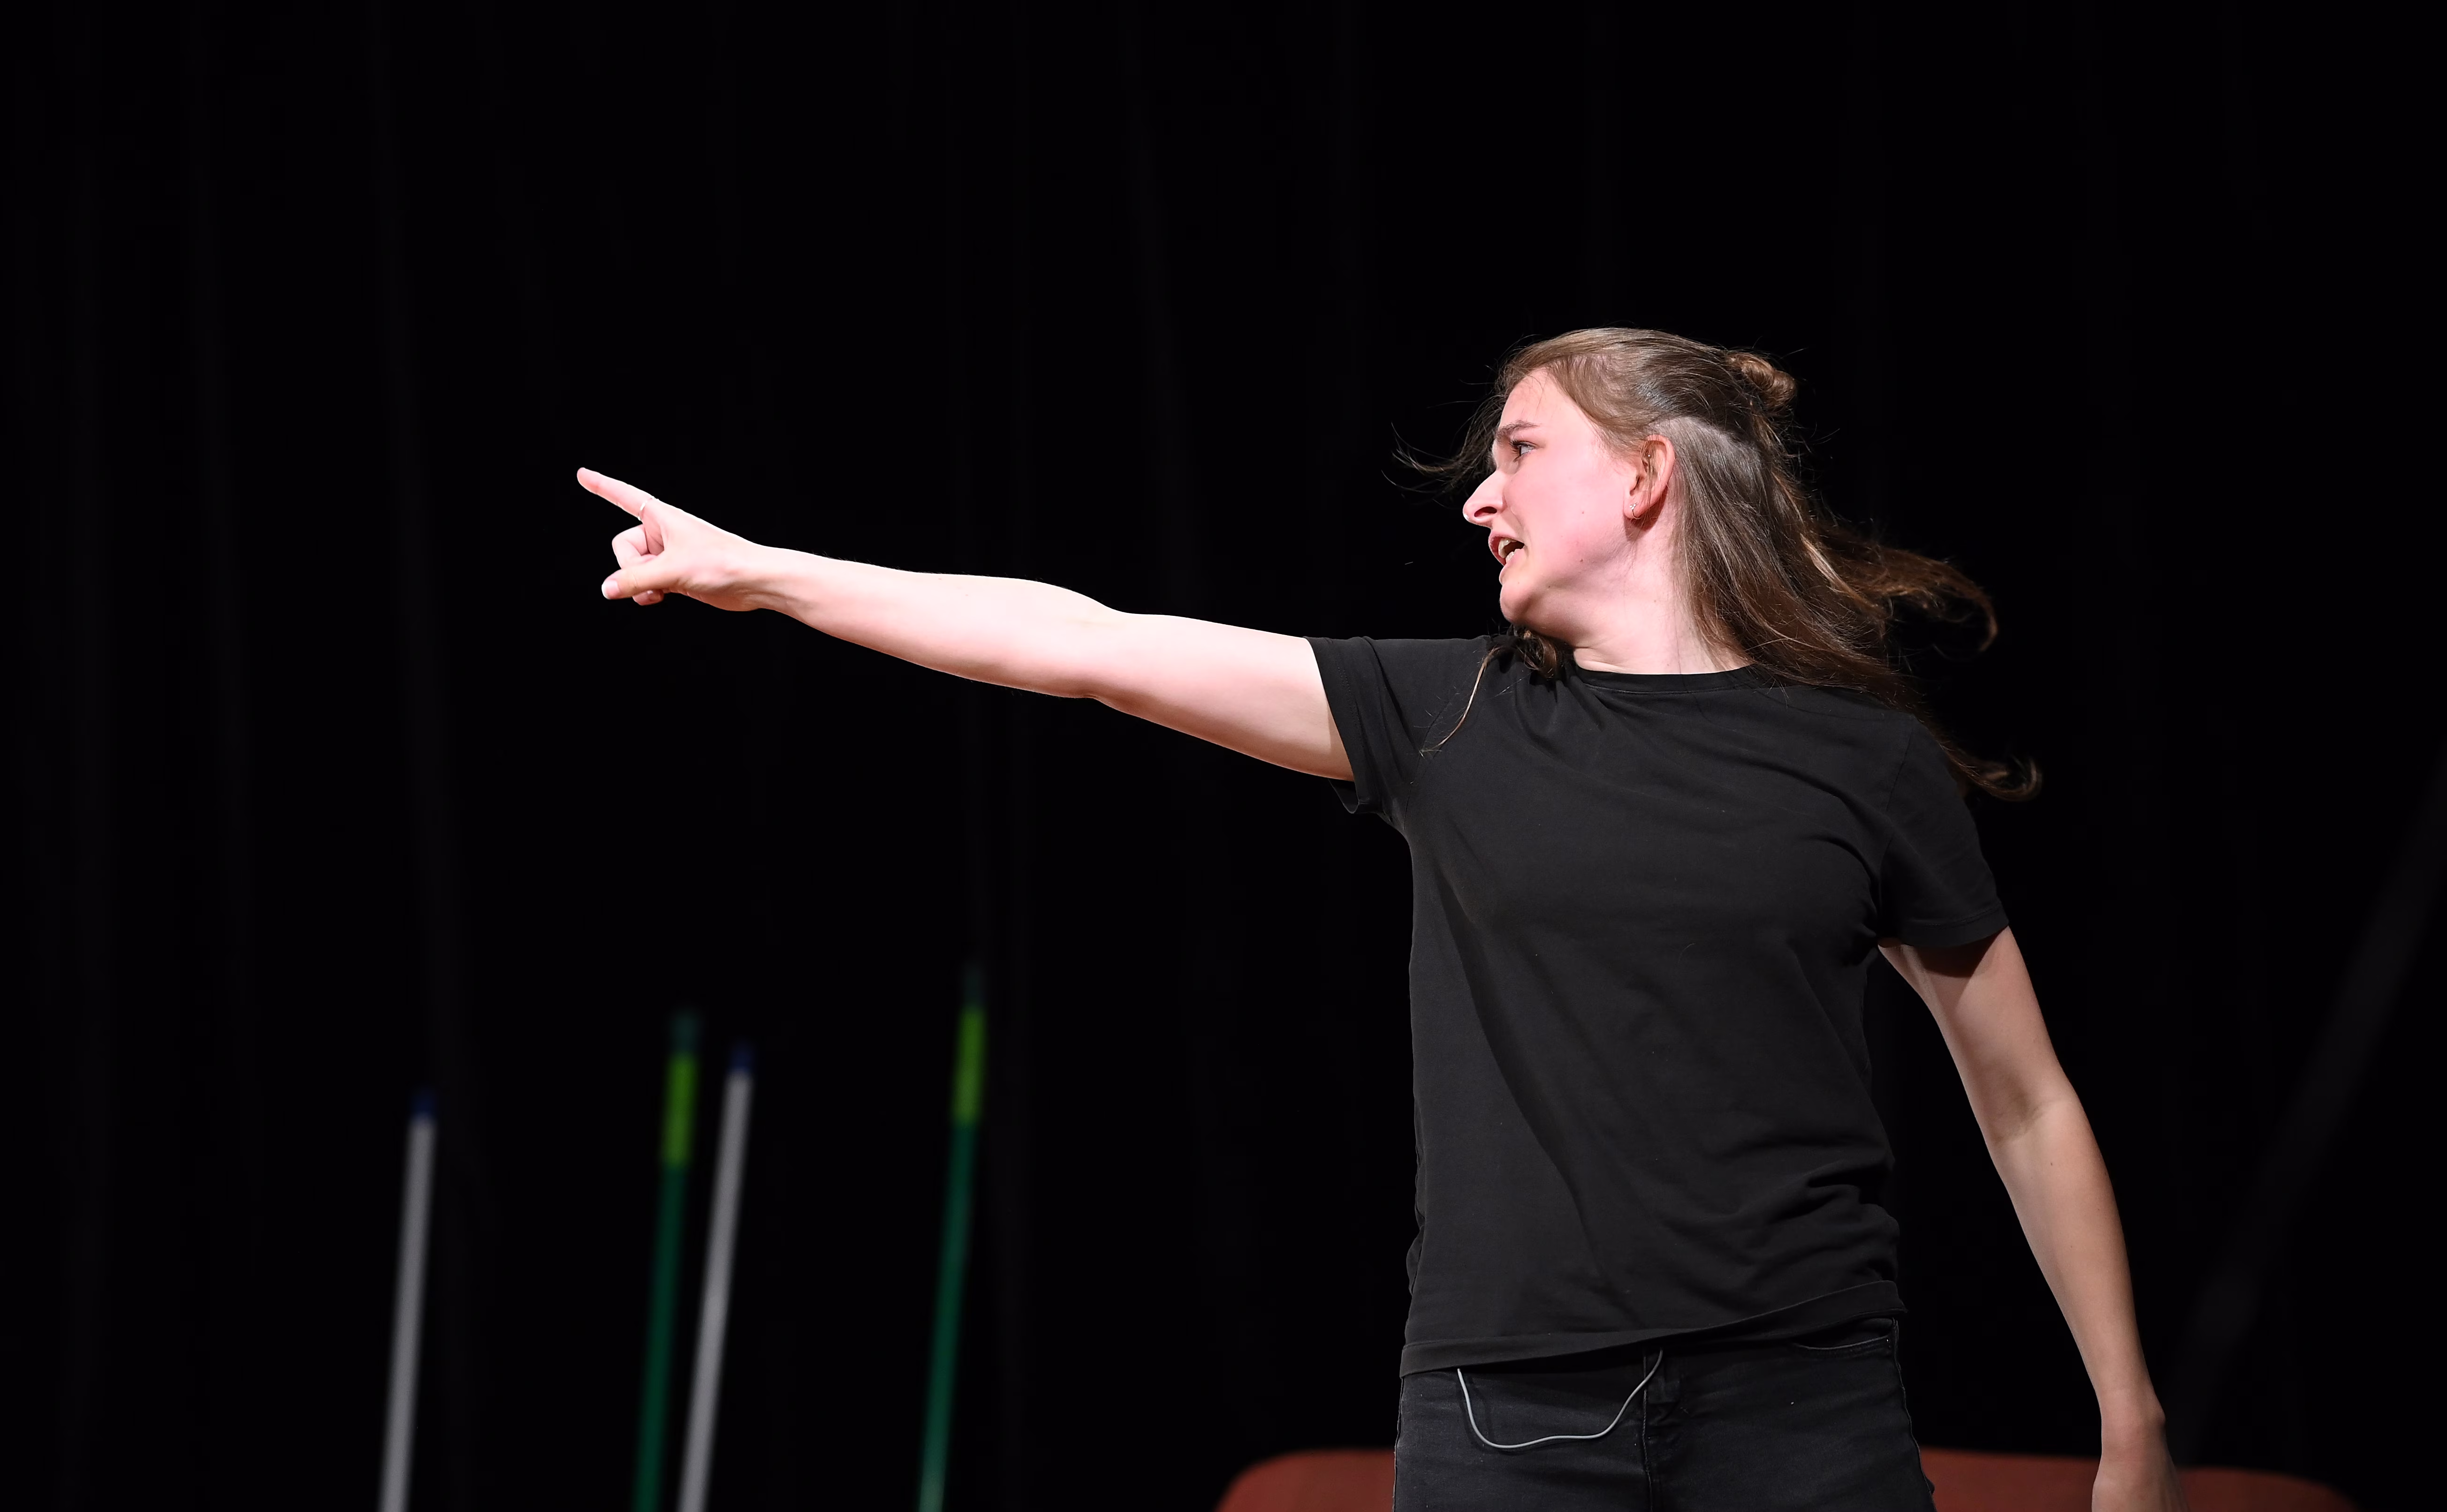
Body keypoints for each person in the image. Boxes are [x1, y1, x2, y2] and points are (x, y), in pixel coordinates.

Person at [585, 328, 2185, 1512]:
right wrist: (765, 573)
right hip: (1514, 1423)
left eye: (1520, 450)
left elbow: (2027, 1102)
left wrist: (2131, 1423)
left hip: (1805, 1414)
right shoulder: (1453, 716)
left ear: (1647, 475)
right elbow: (1085, 643)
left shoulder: (1861, 762)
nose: (1481, 499)